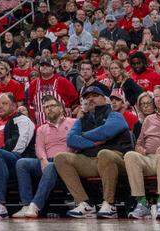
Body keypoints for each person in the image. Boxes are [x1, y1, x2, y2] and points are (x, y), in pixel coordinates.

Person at [54, 82, 134, 218]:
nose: (90, 98)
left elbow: (106, 132)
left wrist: (83, 136)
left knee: (104, 153)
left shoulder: (114, 114)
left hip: (117, 159)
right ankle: (85, 204)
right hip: (91, 160)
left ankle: (109, 204)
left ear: (105, 99)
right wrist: (95, 143)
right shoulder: (81, 120)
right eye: (87, 97)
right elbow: (71, 140)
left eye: (95, 95)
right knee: (61, 157)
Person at [122, 85, 160, 219]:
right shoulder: (148, 119)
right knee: (130, 155)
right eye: (156, 96)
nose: (159, 99)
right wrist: (139, 149)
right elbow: (139, 143)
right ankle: (142, 204)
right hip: (148, 158)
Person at [12, 98, 75, 217]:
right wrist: (43, 159)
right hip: (47, 160)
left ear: (61, 108)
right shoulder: (41, 129)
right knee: (22, 163)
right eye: (46, 107)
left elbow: (76, 143)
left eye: (52, 105)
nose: (49, 109)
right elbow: (39, 147)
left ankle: (35, 206)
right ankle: (26, 205)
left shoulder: (73, 122)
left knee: (51, 166)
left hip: (65, 161)